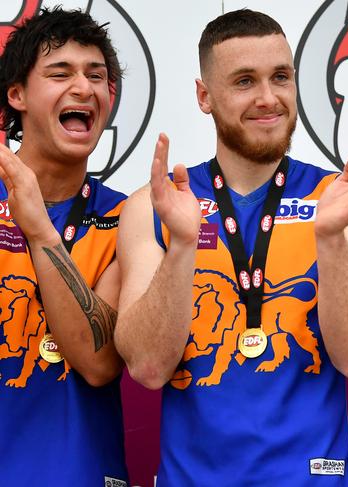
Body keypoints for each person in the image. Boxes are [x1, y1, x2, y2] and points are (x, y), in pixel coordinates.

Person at [114, 9, 348, 485]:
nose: (269, 98)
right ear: (204, 96)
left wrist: (330, 239)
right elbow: (147, 365)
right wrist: (182, 244)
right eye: (244, 81)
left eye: (281, 77)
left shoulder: (345, 201)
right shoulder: (153, 207)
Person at [0, 7, 128, 486]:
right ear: (17, 95)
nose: (85, 88)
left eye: (97, 76)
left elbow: (99, 363)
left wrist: (40, 232)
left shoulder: (127, 218)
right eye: (61, 73)